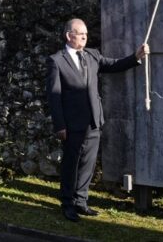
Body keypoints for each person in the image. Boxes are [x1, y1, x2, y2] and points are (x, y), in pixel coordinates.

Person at [46, 18, 148, 222]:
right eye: (80, 33)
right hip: (71, 124)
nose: (85, 36)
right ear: (69, 36)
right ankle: (67, 204)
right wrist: (60, 125)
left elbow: (113, 65)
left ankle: (81, 202)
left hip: (93, 122)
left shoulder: (92, 55)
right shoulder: (56, 61)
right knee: (70, 165)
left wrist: (136, 57)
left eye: (85, 33)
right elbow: (54, 96)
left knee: (88, 164)